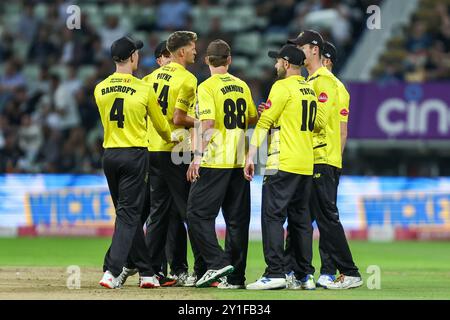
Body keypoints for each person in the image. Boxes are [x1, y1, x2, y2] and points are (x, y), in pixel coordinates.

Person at [95, 36, 172, 289]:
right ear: (131, 57)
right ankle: (112, 270)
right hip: (135, 155)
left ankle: (147, 273)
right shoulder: (143, 88)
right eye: (136, 53)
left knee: (127, 213)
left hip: (110, 155)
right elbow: (161, 127)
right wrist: (174, 139)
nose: (138, 56)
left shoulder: (100, 88)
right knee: (129, 215)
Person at [288, 30, 362, 289]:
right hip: (313, 158)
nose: (298, 51)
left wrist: (287, 118)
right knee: (302, 216)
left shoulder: (325, 82)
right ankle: (296, 272)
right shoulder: (311, 81)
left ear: (314, 50)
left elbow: (319, 122)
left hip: (321, 157)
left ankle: (348, 271)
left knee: (326, 218)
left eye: (301, 47)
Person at [244, 45, 317, 290]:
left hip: (282, 161)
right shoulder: (310, 90)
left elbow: (264, 122)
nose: (275, 65)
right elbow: (318, 124)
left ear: (286, 63)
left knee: (273, 217)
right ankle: (304, 275)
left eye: (277, 61)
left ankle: (275, 272)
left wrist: (250, 154)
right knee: (301, 221)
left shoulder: (281, 86)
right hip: (306, 163)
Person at [186, 39, 258, 288]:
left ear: (207, 60)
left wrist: (196, 156)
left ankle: (217, 263)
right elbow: (251, 116)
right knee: (237, 221)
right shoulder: (242, 85)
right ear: (229, 60)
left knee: (196, 214)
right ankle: (236, 278)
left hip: (215, 160)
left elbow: (207, 124)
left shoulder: (206, 87)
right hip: (239, 160)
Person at [142, 31, 206, 287]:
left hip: (152, 149)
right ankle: (204, 268)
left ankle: (152, 271)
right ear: (181, 52)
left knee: (158, 212)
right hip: (176, 150)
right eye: (192, 48)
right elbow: (178, 118)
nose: (195, 52)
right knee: (191, 210)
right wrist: (204, 122)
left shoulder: (148, 78)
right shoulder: (188, 79)